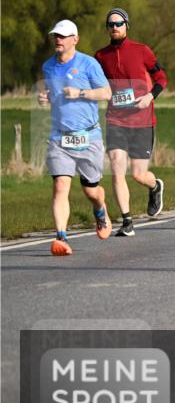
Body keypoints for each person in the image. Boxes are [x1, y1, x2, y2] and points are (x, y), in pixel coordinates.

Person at [38, 20, 113, 255]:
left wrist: (81, 92)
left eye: (63, 36)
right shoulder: (48, 67)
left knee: (91, 191)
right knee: (60, 185)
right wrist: (47, 97)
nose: (58, 40)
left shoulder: (89, 64)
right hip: (60, 137)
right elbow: (55, 93)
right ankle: (62, 237)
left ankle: (100, 209)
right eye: (55, 36)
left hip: (88, 136)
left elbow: (107, 93)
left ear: (75, 39)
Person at [94, 8, 167, 237]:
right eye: (111, 24)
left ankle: (155, 186)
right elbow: (96, 86)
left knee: (137, 174)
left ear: (127, 25)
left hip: (143, 120)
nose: (114, 27)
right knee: (117, 167)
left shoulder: (141, 50)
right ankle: (127, 221)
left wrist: (149, 97)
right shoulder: (100, 56)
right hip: (116, 119)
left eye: (119, 23)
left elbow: (161, 78)